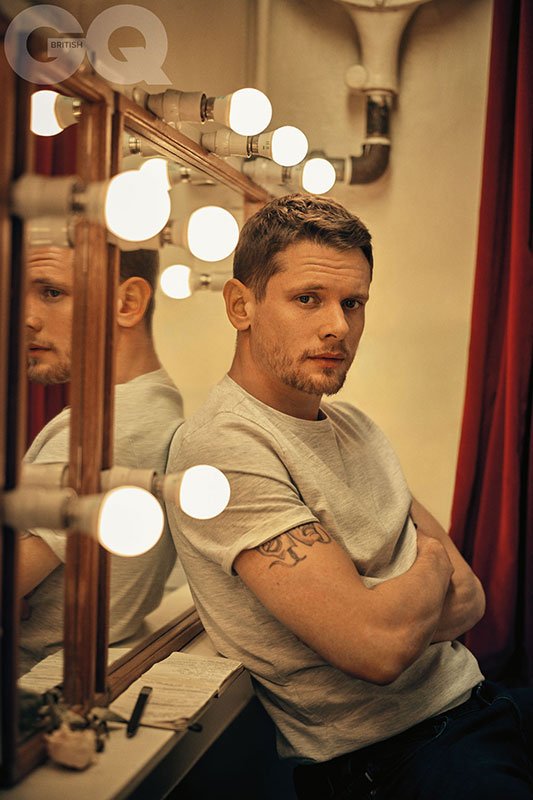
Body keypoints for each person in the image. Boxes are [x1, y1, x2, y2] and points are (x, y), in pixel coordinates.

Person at [166, 194, 533, 799]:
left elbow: (473, 601)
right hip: (395, 762)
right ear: (241, 305)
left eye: (352, 302)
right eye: (307, 299)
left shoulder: (354, 426)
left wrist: (402, 601)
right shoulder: (222, 449)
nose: (337, 324)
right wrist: (435, 560)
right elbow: (378, 647)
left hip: (480, 704)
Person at [20, 245, 185, 675]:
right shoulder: (154, 403)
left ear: (127, 303)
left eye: (52, 292)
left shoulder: (103, 431)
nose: (27, 317)